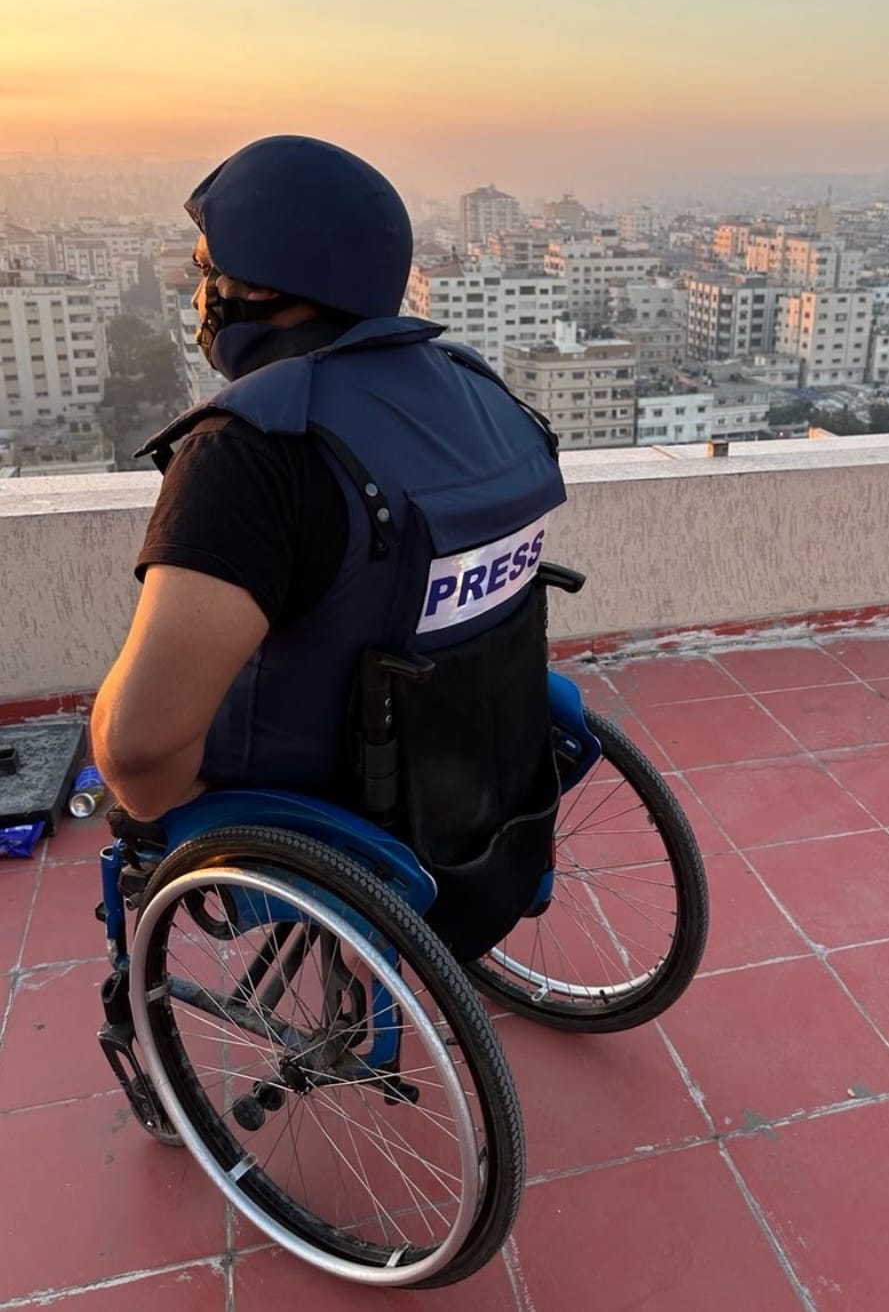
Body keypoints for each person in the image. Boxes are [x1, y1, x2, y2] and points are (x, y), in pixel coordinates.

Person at [92, 136, 568, 956]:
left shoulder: (254, 450)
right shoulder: (477, 390)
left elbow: (143, 750)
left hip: (337, 805)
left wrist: (144, 787)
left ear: (266, 285)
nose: (201, 295)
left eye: (210, 271)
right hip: (485, 763)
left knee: (122, 770)